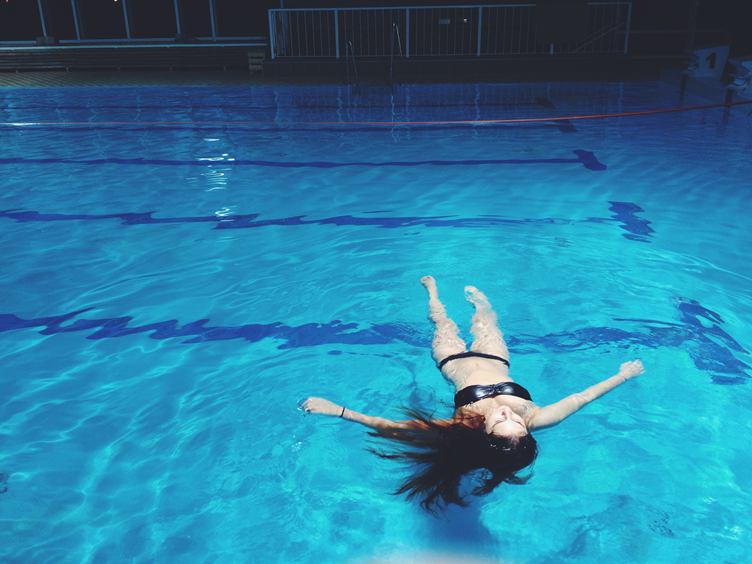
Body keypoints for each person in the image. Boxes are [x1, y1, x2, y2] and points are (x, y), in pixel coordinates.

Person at [303, 276, 645, 511]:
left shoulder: (464, 425)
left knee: (442, 323)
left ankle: (432, 293)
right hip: (497, 358)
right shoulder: (540, 418)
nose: (509, 414)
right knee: (486, 321)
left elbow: (395, 428)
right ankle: (480, 303)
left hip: (451, 362)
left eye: (501, 421)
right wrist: (622, 376)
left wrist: (340, 411)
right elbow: (583, 397)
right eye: (517, 422)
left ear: (486, 433)